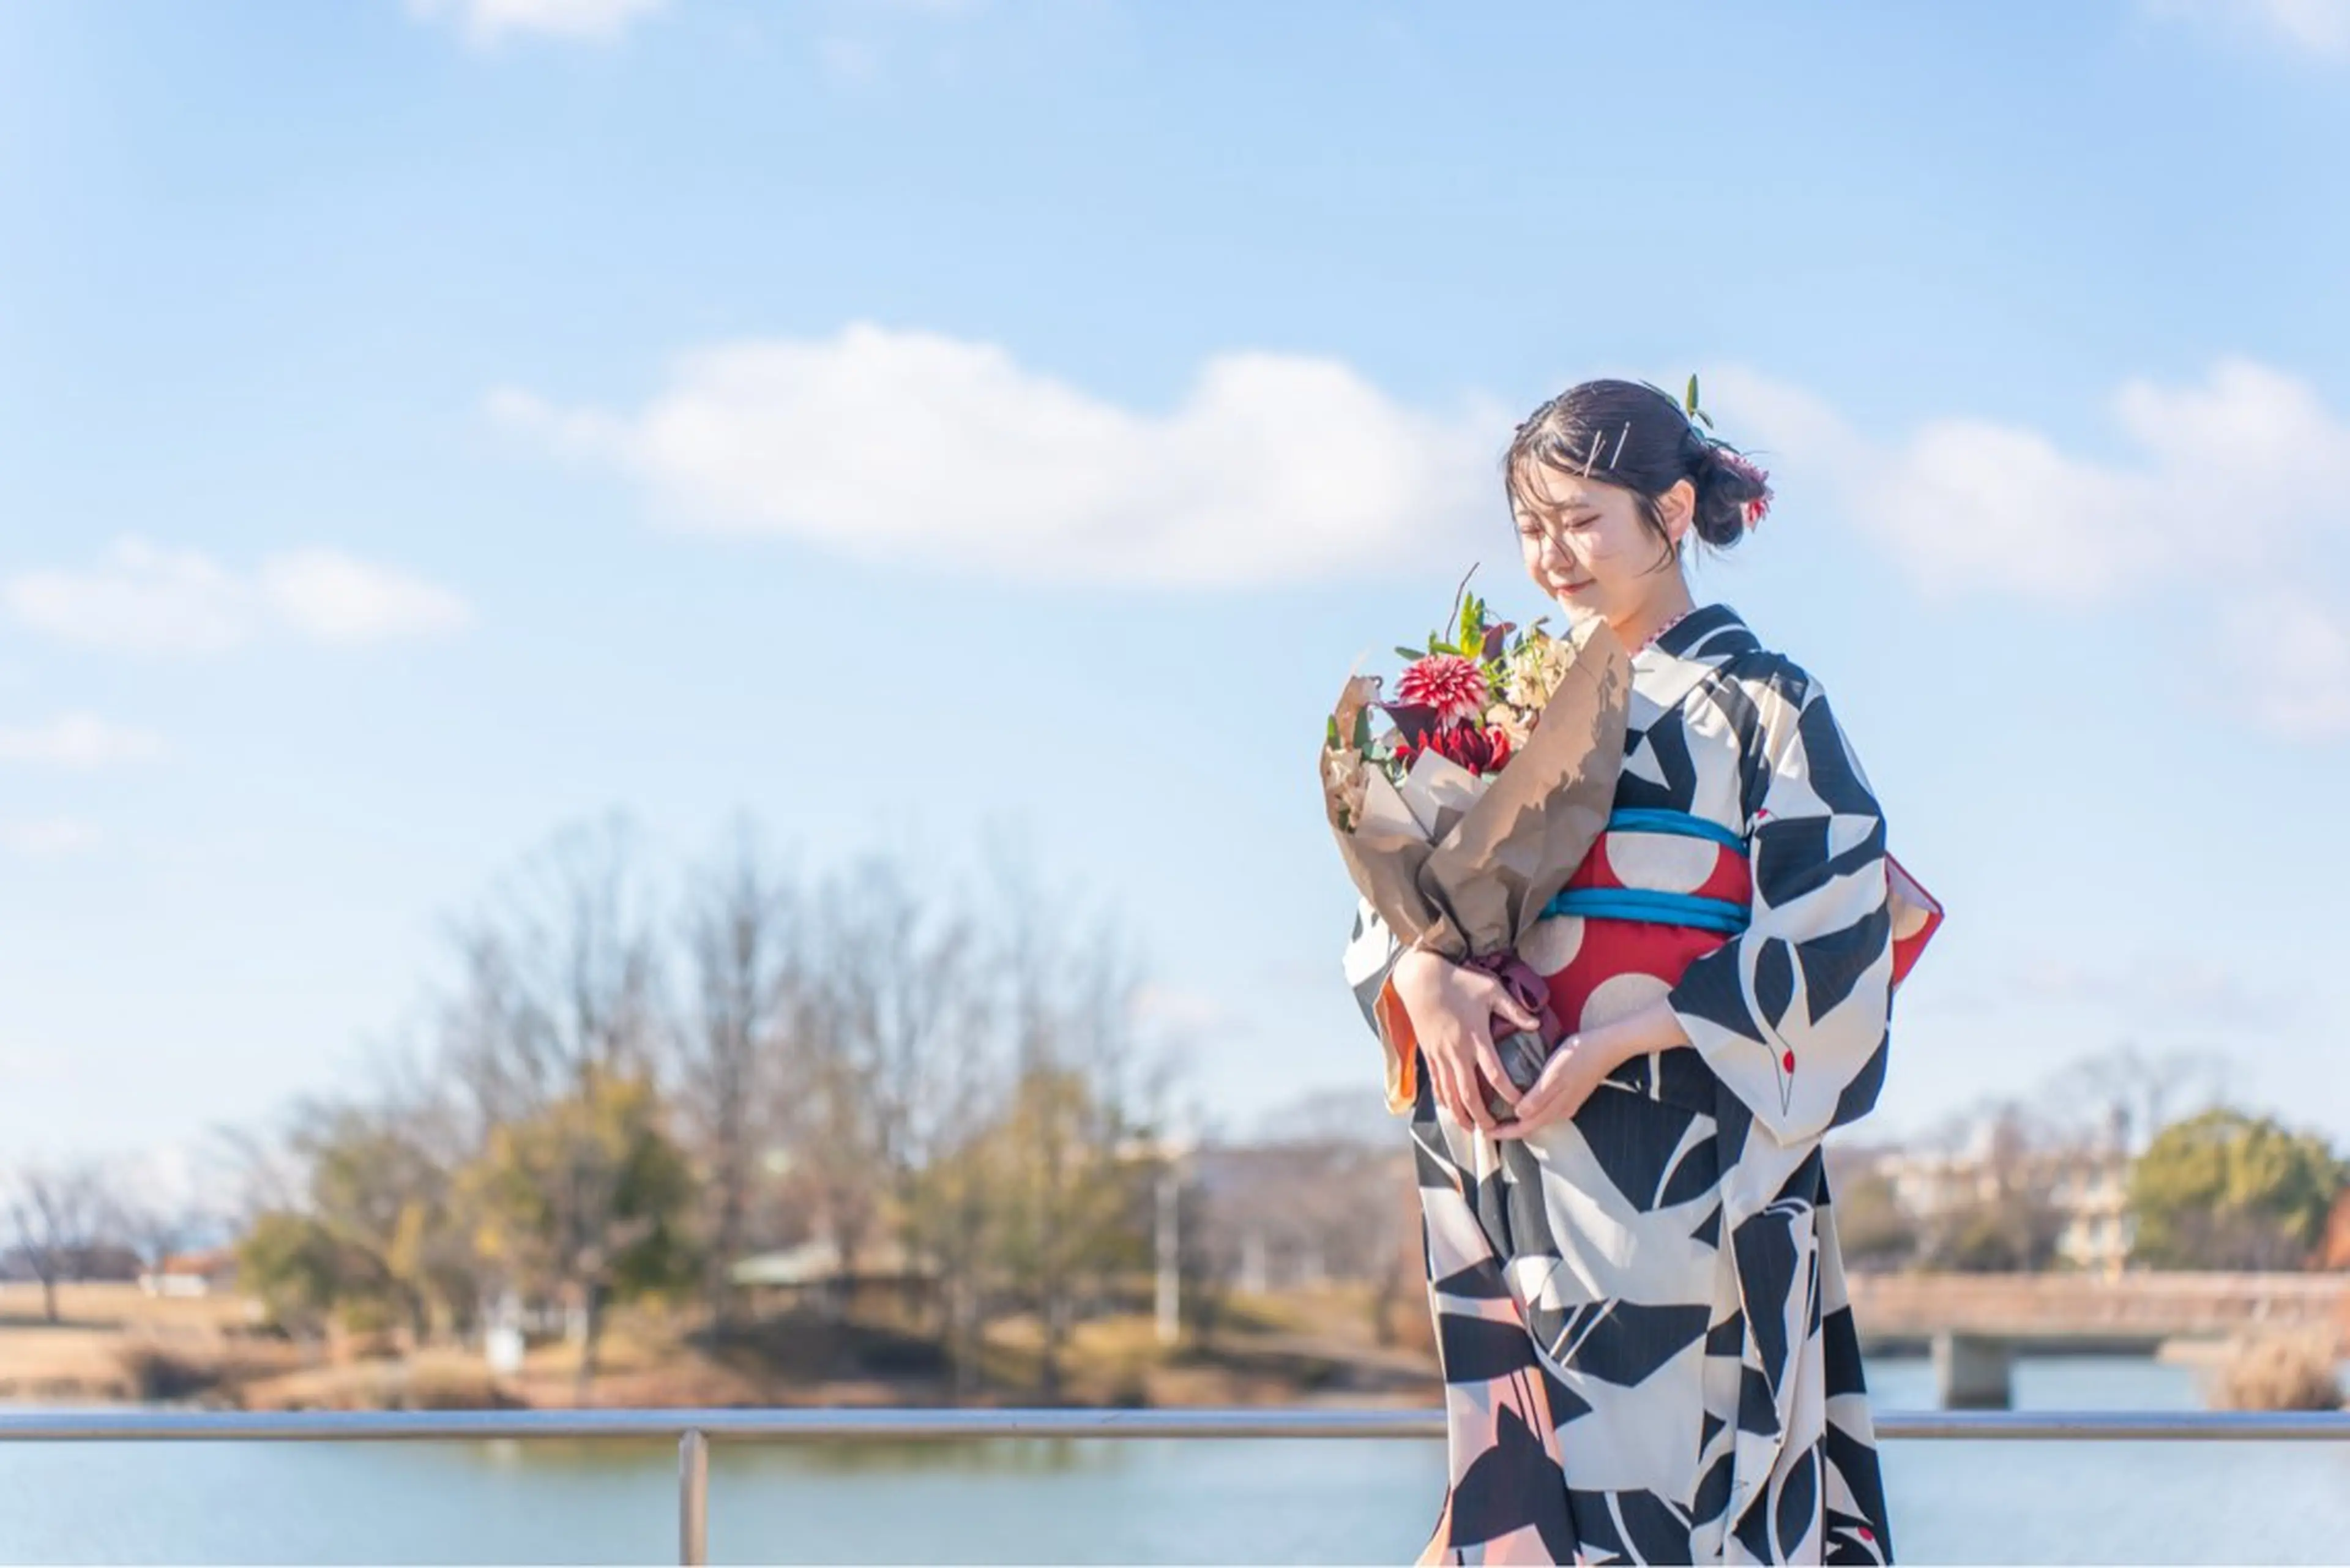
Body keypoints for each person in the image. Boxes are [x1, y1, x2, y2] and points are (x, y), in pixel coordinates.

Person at [1344, 378, 1901, 1564]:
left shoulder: (1766, 707)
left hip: (1698, 1166)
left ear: (1674, 510)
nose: (1552, 557)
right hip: (1527, 1176)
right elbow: (1396, 907)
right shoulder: (1508, 703)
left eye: (1581, 521)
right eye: (1531, 527)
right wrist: (1425, 981)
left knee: (1687, 1499)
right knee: (1535, 1488)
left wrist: (1625, 1033)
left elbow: (1838, 945)